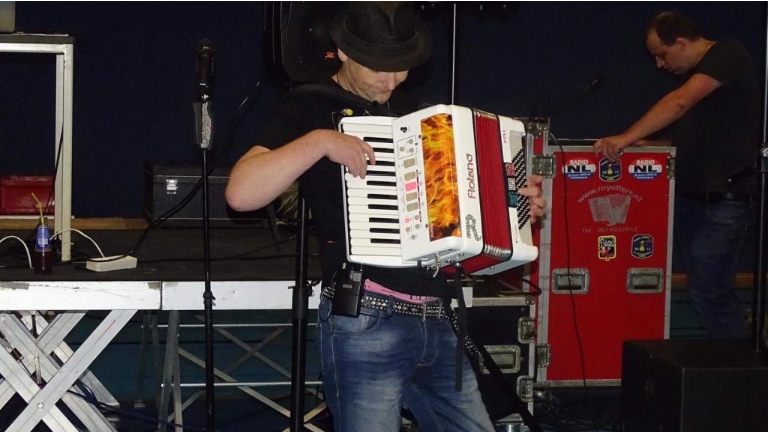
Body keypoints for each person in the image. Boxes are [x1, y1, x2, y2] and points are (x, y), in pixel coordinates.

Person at [226, 2, 546, 431]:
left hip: (439, 315)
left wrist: (515, 206)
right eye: (378, 67)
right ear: (340, 50)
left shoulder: (418, 118)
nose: (391, 80)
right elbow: (241, 193)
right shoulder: (308, 108)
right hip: (367, 320)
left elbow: (459, 214)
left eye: (401, 68)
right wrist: (319, 142)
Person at [594, 10, 759, 339]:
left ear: (681, 43)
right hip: (693, 197)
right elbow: (709, 133)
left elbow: (680, 102)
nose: (660, 65)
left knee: (707, 294)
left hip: (725, 198)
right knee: (710, 292)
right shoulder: (704, 75)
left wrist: (624, 138)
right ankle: (740, 366)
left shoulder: (727, 54)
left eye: (661, 54)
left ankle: (745, 378)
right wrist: (653, 145)